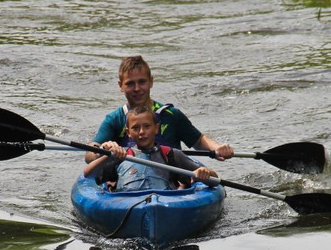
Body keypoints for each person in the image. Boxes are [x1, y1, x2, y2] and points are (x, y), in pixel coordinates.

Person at [84, 55, 234, 163]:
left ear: (151, 82)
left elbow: (199, 140)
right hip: (129, 182)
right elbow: (90, 153)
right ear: (121, 86)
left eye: (142, 82)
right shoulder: (115, 119)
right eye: (130, 84)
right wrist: (103, 149)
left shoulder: (171, 115)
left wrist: (217, 148)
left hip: (172, 181)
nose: (137, 88)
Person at [84, 106, 216, 191]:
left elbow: (214, 181)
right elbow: (88, 174)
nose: (142, 132)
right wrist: (107, 157)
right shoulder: (120, 156)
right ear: (128, 132)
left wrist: (205, 173)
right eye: (136, 128)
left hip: (166, 203)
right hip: (127, 202)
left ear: (156, 128)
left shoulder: (172, 155)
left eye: (147, 126)